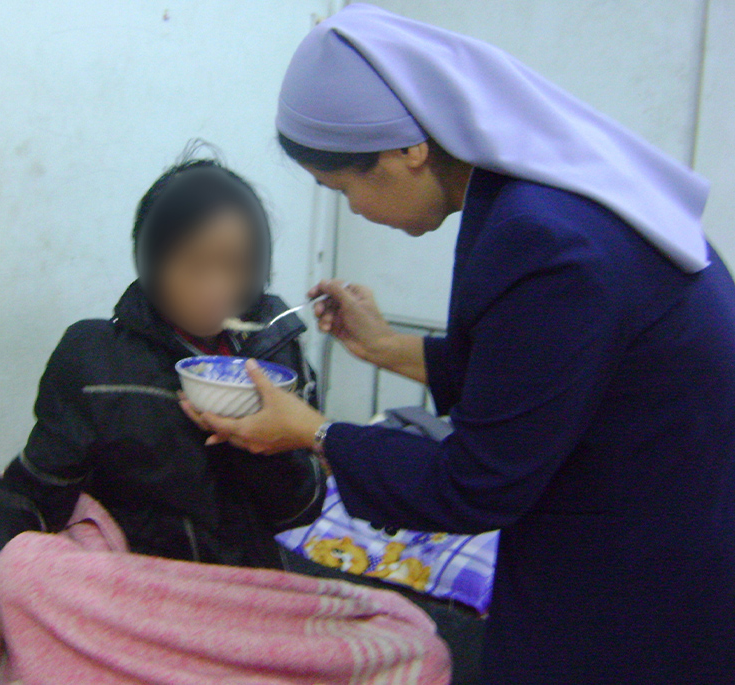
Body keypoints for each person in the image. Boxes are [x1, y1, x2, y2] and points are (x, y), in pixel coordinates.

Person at [181, 6, 735, 684]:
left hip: (633, 576)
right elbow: (542, 375)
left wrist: (314, 432)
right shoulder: (539, 196)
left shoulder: (546, 243)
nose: (353, 211)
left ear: (408, 150)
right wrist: (385, 347)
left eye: (343, 188)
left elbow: (475, 484)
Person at [0, 153, 327, 684]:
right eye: (194, 265)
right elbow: (32, 494)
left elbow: (302, 506)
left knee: (415, 649)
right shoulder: (96, 358)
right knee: (13, 558)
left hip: (243, 594)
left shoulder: (277, 355)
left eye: (237, 266)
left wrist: (256, 442)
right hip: (132, 590)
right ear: (149, 260)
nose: (216, 287)